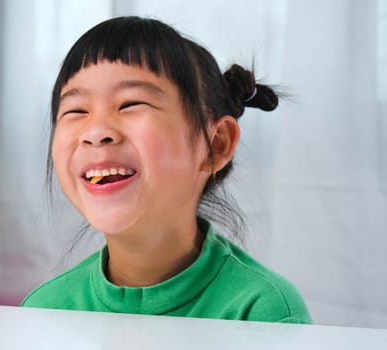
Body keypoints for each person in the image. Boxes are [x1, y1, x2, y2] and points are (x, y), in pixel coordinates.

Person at [22, 16, 311, 324]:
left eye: (131, 104)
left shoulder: (263, 314)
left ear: (216, 145)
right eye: (76, 110)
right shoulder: (45, 310)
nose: (96, 132)